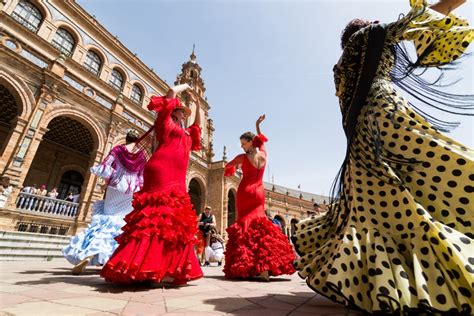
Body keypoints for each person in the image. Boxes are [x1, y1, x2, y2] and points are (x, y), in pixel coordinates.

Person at [292, 0, 473, 314]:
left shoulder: (341, 64)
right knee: (433, 166)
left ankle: (386, 286)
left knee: (380, 205)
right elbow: (412, 22)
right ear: (363, 28)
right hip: (383, 115)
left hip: (358, 135)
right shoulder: (370, 38)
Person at [100, 84, 204, 285]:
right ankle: (138, 266)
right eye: (181, 111)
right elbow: (171, 93)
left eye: (184, 113)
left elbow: (197, 125)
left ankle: (165, 267)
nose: (183, 115)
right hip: (161, 169)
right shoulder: (165, 124)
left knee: (174, 219)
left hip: (178, 176)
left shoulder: (188, 134)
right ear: (173, 112)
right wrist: (186, 87)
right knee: (155, 216)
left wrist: (198, 104)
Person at [63, 129, 146, 275]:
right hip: (130, 192)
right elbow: (142, 176)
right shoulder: (141, 156)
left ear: (126, 139)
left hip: (115, 187)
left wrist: (107, 181)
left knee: (105, 221)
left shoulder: (118, 149)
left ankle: (88, 252)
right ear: (137, 140)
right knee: (122, 224)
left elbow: (107, 165)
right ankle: (112, 258)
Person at [224, 115, 295, 281]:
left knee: (245, 227)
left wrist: (232, 171)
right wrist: (257, 125)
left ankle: (246, 265)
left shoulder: (242, 158)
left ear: (250, 142)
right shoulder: (263, 154)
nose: (242, 147)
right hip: (259, 192)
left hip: (244, 192)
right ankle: (264, 269)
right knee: (261, 227)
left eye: (243, 143)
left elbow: (228, 167)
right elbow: (261, 140)